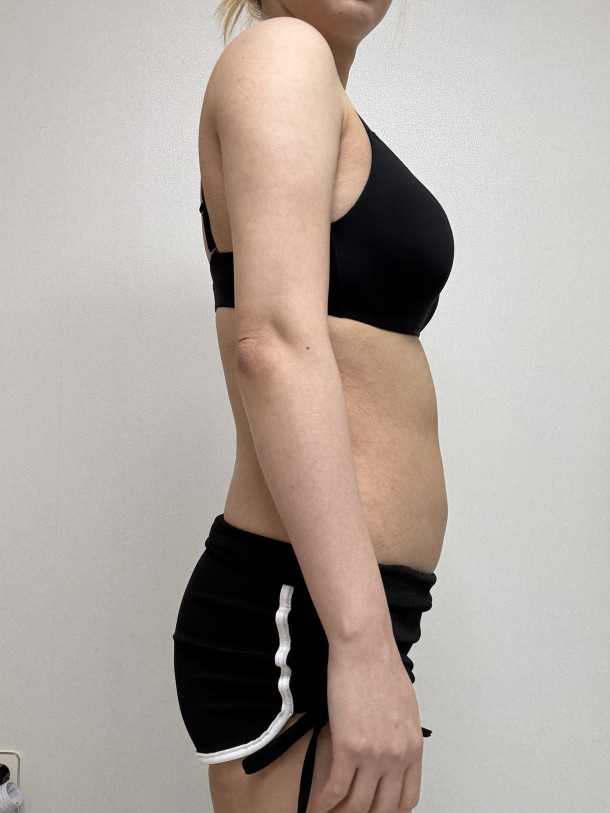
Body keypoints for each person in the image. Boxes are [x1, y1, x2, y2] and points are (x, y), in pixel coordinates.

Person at [173, 2, 455, 811]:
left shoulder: (315, 88)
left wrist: (368, 638)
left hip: (337, 608)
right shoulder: (281, 53)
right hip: (306, 612)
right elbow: (272, 343)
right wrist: (361, 647)